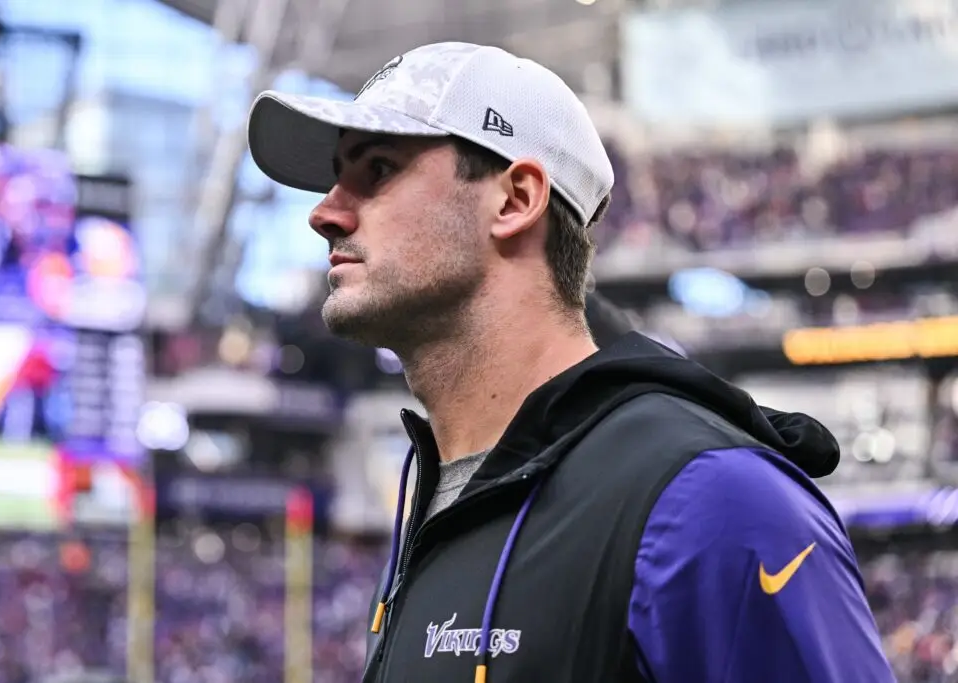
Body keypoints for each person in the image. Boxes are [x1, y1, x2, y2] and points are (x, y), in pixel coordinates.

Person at [247, 42, 894, 683]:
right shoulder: (436, 501)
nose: (324, 213)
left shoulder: (712, 499)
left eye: (378, 168)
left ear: (514, 199)